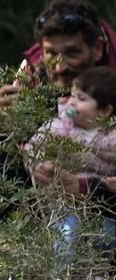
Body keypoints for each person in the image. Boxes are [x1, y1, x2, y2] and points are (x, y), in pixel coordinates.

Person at [0, 0, 116, 198]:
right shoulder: (33, 68)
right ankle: (29, 224)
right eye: (51, 54)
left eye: (72, 53)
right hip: (47, 177)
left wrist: (85, 187)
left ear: (96, 48)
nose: (60, 67)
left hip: (103, 182)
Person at [22, 66, 116, 262]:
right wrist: (39, 166)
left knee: (100, 241)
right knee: (67, 229)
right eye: (72, 95)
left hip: (102, 209)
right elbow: (34, 147)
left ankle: (96, 277)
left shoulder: (111, 139)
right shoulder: (58, 128)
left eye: (81, 99)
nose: (72, 102)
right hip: (65, 204)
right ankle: (62, 275)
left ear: (105, 111)